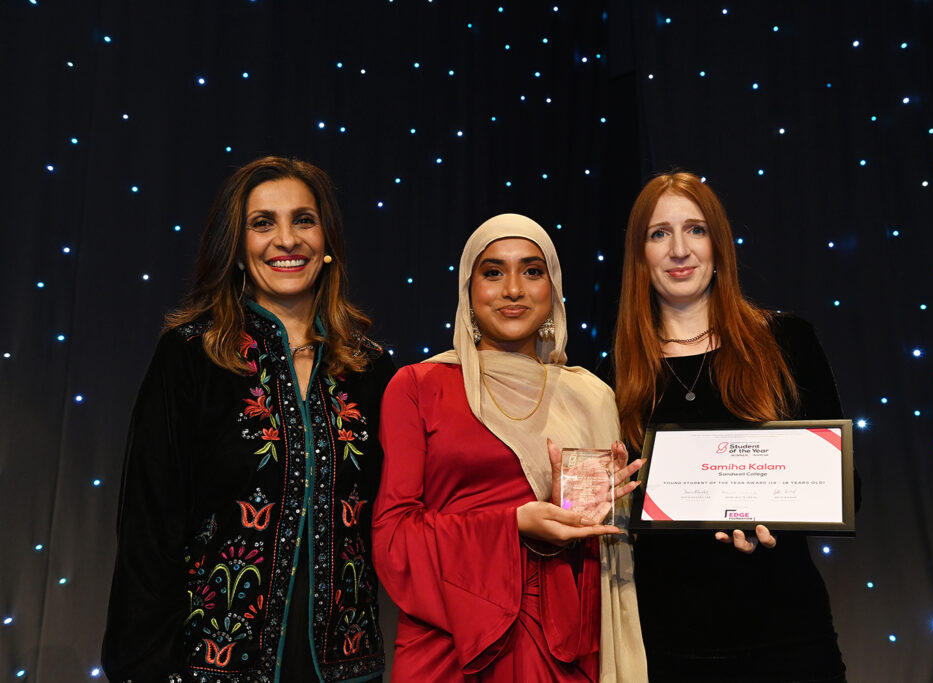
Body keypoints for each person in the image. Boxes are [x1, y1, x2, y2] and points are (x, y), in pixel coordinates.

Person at [102, 157, 395, 682]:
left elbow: (401, 518)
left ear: (327, 240)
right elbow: (149, 527)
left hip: (346, 666)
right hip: (210, 665)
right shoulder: (191, 357)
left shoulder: (370, 369)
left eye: (304, 220)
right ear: (236, 247)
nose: (287, 239)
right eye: (263, 223)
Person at [372, 214, 647, 682]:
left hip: (559, 646)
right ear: (468, 291)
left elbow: (605, 560)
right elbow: (394, 539)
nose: (513, 289)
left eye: (532, 271)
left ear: (553, 289)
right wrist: (515, 524)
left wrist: (569, 512)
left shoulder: (589, 396)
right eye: (493, 272)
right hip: (451, 646)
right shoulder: (418, 387)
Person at [606, 172, 856, 682]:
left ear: (719, 244)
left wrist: (774, 517)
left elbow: (846, 487)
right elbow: (605, 516)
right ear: (639, 256)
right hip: (667, 647)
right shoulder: (612, 376)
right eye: (659, 234)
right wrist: (602, 494)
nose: (679, 249)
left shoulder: (788, 341)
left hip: (787, 639)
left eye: (695, 230)